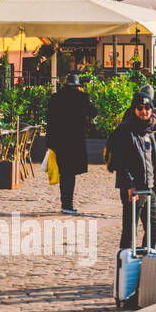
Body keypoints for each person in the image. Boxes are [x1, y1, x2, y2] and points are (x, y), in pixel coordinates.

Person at [107, 91, 156, 249]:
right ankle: (125, 263)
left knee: (154, 230)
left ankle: (146, 261)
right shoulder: (125, 130)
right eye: (140, 108)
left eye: (147, 108)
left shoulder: (151, 130)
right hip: (134, 189)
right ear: (134, 109)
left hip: (150, 187)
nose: (144, 111)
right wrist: (130, 185)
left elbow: (154, 159)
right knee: (130, 231)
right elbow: (119, 160)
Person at [45, 74, 95, 215]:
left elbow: (49, 121)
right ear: (77, 86)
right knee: (69, 174)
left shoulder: (55, 98)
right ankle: (68, 204)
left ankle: (65, 203)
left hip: (59, 141)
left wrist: (49, 143)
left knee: (64, 174)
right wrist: (85, 96)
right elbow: (93, 112)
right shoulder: (81, 97)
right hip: (75, 142)